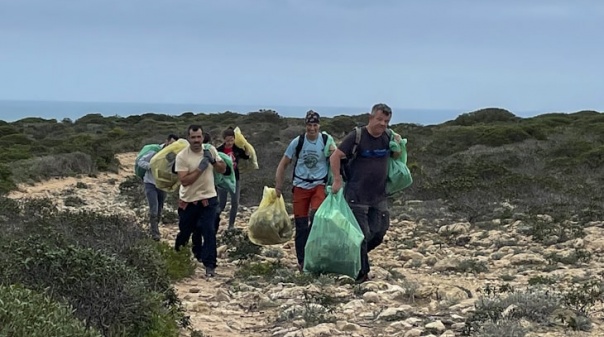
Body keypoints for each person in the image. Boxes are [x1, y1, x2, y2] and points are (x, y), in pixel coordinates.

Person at [329, 103, 402, 283]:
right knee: (361, 235)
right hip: (356, 195)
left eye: (386, 121)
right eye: (379, 119)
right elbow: (335, 156)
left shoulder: (387, 137)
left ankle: (350, 258)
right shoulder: (357, 136)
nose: (383, 124)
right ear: (371, 118)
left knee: (378, 232)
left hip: (378, 195)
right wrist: (337, 180)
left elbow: (395, 157)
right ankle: (362, 274)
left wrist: (398, 146)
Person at [275, 110, 336, 271]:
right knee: (301, 226)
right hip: (301, 185)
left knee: (316, 217)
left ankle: (314, 252)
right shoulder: (298, 142)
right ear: (305, 126)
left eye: (315, 125)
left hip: (319, 185)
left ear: (319, 126)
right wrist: (278, 186)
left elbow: (336, 159)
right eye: (309, 125)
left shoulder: (326, 140)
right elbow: (283, 163)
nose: (312, 128)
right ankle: (302, 261)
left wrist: (337, 179)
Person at [174, 125, 226, 277]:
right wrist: (200, 168)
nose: (196, 140)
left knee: (209, 230)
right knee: (185, 232)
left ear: (203, 137)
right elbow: (184, 181)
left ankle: (210, 266)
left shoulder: (211, 151)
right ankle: (177, 258)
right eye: (193, 137)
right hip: (188, 201)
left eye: (199, 137)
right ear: (188, 138)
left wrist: (214, 162)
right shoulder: (182, 156)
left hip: (208, 199)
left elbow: (223, 169)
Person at [137, 134, 179, 241]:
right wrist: (152, 166)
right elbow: (140, 161)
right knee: (154, 209)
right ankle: (154, 233)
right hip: (150, 183)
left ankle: (155, 228)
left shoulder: (173, 154)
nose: (172, 145)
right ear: (167, 141)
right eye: (171, 143)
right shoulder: (155, 151)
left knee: (160, 209)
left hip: (162, 184)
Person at [216, 127, 250, 231]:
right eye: (227, 140)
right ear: (224, 139)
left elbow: (246, 156)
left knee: (235, 202)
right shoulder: (219, 150)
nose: (230, 142)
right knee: (221, 203)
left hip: (235, 178)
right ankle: (213, 222)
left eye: (231, 140)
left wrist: (246, 146)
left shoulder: (236, 149)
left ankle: (231, 225)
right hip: (222, 180)